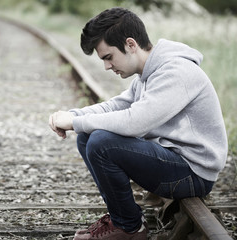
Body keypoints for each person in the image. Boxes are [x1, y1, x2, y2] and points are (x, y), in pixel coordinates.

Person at [48, 7, 228, 240]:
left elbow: (135, 122)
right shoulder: (149, 74)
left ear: (131, 45)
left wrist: (75, 121)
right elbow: (116, 106)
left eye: (108, 57)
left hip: (193, 174)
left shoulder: (176, 72)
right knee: (88, 136)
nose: (106, 66)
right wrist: (74, 115)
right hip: (174, 160)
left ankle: (129, 228)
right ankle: (121, 217)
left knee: (101, 142)